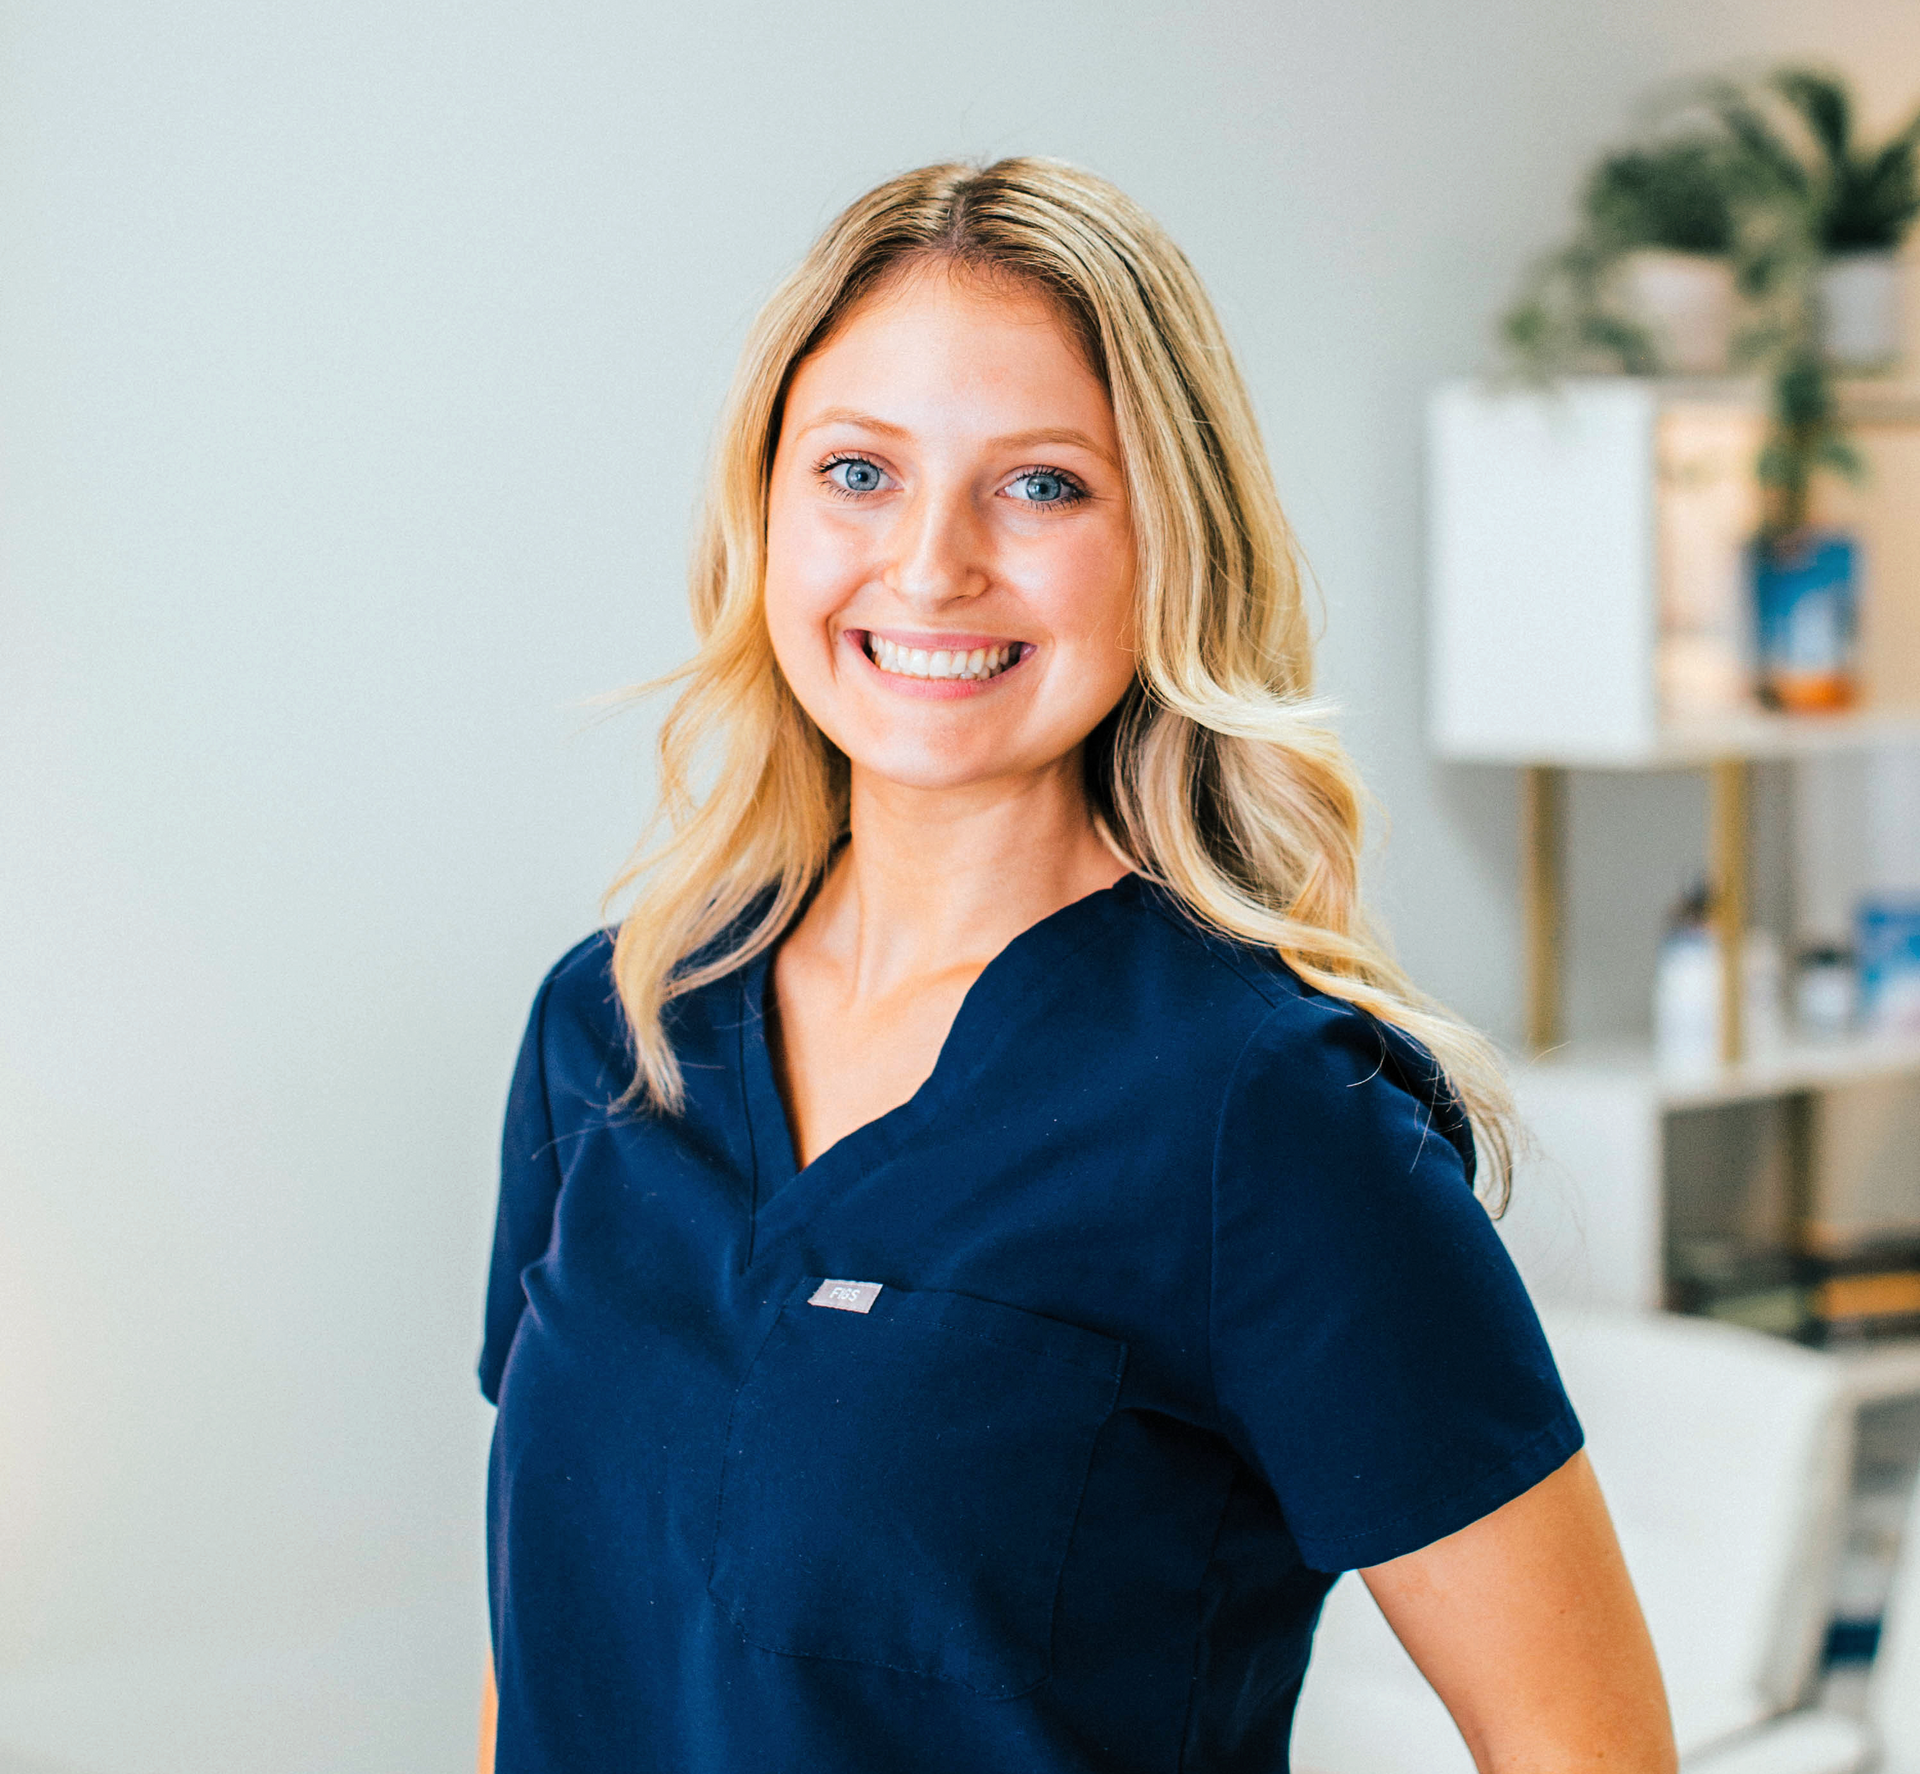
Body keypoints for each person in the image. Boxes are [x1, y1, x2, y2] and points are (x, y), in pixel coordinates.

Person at [476, 158, 1676, 1774]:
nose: (929, 566)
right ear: (767, 511)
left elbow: (1581, 1738)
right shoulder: (613, 1029)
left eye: (1041, 485)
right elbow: (551, 1645)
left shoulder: (1266, 1116)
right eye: (858, 472)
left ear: (1166, 542)